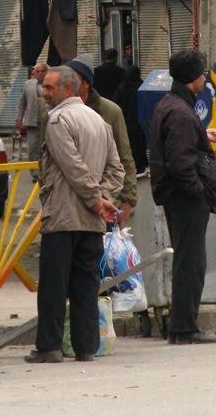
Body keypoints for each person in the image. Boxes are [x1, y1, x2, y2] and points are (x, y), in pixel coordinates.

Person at [25, 66, 124, 364]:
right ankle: (85, 346)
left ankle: (50, 346)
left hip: (64, 217)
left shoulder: (58, 120)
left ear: (68, 90)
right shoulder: (98, 121)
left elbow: (73, 167)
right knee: (85, 286)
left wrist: (96, 201)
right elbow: (115, 171)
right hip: (91, 222)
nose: (44, 93)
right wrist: (104, 199)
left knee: (54, 285)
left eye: (50, 88)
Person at [149, 50, 216, 345]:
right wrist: (198, 192)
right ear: (194, 77)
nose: (205, 78)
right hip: (186, 198)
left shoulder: (173, 105)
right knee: (190, 263)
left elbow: (180, 146)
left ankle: (183, 326)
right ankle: (184, 327)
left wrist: (204, 135)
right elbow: (181, 161)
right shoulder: (181, 112)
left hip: (179, 196)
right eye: (202, 74)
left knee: (189, 260)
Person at [66, 54, 138, 227]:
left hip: (104, 201)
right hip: (67, 204)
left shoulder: (110, 112)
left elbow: (124, 157)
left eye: (72, 78)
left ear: (86, 83)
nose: (66, 82)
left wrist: (128, 200)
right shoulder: (56, 112)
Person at [15, 63, 48, 179]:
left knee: (45, 148)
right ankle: (35, 173)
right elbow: (21, 103)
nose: (40, 74)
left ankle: (45, 172)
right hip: (32, 122)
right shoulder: (28, 84)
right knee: (33, 147)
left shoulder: (51, 85)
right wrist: (19, 119)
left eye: (42, 71)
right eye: (37, 71)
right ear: (34, 73)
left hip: (47, 122)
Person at [113, 66, 148, 174]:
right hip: (138, 121)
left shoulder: (121, 87)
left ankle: (129, 166)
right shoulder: (142, 86)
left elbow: (115, 102)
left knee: (127, 144)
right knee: (139, 144)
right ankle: (140, 165)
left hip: (125, 120)